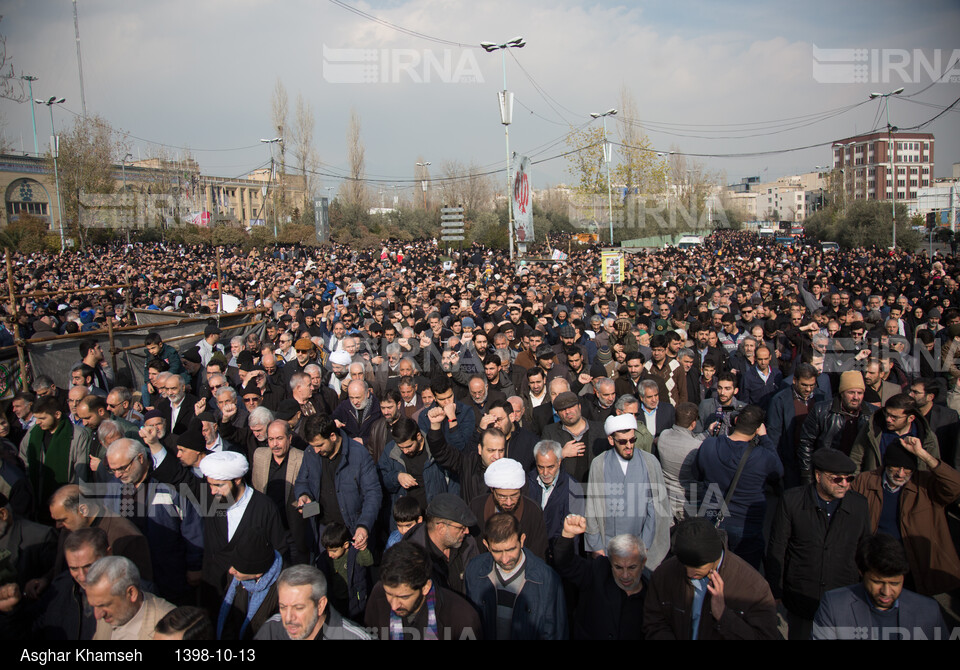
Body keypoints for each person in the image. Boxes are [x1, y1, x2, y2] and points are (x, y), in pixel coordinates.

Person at [765, 449, 871, 640]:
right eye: (837, 479)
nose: (844, 484)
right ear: (818, 476)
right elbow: (778, 546)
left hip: (842, 595)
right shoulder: (792, 501)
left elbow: (865, 550)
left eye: (849, 479)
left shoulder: (859, 505)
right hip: (801, 594)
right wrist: (775, 589)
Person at [851, 436, 960, 597]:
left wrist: (923, 454)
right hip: (874, 560)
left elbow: (955, 485)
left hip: (914, 563)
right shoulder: (865, 481)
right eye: (895, 467)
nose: (901, 474)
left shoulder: (925, 485)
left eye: (907, 469)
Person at [643, 516, 779, 640]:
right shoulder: (665, 574)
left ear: (715, 557)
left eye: (697, 568)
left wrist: (723, 616)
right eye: (685, 566)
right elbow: (654, 621)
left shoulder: (753, 587)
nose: (690, 574)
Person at [694, 404, 782, 569]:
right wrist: (764, 438)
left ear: (735, 421)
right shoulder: (762, 456)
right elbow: (778, 472)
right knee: (744, 577)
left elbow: (697, 474)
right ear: (757, 429)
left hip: (712, 519)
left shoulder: (709, 445)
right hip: (746, 526)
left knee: (711, 572)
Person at [812, 533, 947, 640]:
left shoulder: (928, 610)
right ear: (861, 572)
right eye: (877, 582)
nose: (886, 592)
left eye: (895, 583)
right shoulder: (835, 605)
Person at [199, 450, 291, 601]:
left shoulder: (264, 507)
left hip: (249, 595)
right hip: (214, 590)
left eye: (218, 485)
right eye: (210, 485)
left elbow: (280, 552)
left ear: (237, 480)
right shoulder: (211, 499)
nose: (212, 491)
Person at [585, 414, 671, 570]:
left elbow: (656, 507)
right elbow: (592, 507)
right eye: (623, 441)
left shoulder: (650, 462)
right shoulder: (599, 464)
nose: (629, 445)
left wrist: (644, 547)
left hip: (641, 546)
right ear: (611, 440)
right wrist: (596, 546)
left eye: (632, 440)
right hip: (608, 546)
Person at [463, 512, 567, 640]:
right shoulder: (474, 570)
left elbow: (555, 632)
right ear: (486, 545)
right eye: (497, 551)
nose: (505, 559)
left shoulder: (547, 579)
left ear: (522, 540)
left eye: (511, 549)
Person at [294, 414, 381, 555]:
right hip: (323, 528)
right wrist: (303, 495)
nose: (316, 450)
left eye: (320, 445)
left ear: (333, 436)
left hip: (352, 530)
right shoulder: (310, 453)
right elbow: (302, 481)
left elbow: (373, 493)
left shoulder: (359, 455)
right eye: (313, 446)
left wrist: (364, 526)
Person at [553, 514, 648, 640]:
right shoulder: (597, 573)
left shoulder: (652, 594)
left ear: (643, 563)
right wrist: (568, 534)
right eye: (618, 567)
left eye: (632, 567)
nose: (625, 575)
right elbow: (565, 563)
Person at [364, 541, 482, 640]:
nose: (394, 606)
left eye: (404, 597)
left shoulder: (462, 619)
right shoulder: (378, 595)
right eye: (389, 594)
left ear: (425, 587)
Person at [19, 395, 92, 522]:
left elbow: (81, 473)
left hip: (67, 505)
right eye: (36, 418)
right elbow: (23, 461)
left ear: (57, 414)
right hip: (38, 502)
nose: (38, 422)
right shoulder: (32, 433)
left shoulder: (77, 435)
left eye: (42, 418)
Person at [797, 370, 876, 483]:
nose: (856, 397)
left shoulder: (872, 414)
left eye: (860, 393)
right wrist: (807, 476)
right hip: (829, 472)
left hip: (858, 475)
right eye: (851, 392)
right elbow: (806, 444)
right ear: (842, 392)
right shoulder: (822, 410)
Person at [255, 564, 370, 640]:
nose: (288, 618)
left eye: (298, 608)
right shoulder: (272, 629)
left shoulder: (353, 637)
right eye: (283, 607)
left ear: (320, 605)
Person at [468, 458, 549, 560]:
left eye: (514, 495)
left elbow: (539, 553)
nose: (509, 502)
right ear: (492, 490)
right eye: (502, 496)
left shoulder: (533, 511)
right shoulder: (477, 506)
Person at [401, 492, 479, 595]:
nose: (467, 532)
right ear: (441, 528)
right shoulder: (411, 557)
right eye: (461, 528)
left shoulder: (468, 544)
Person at [849, 393, 941, 477]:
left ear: (910, 418)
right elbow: (856, 457)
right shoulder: (873, 429)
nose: (888, 419)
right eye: (887, 414)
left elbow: (933, 468)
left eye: (894, 417)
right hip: (876, 486)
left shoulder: (926, 437)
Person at [87, 556, 175, 640]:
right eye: (94, 606)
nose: (97, 615)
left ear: (132, 593)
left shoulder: (172, 627)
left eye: (104, 605)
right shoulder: (106, 614)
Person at [524, 439, 585, 558]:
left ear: (559, 461)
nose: (545, 473)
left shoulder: (573, 489)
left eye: (550, 467)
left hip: (558, 556)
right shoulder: (526, 483)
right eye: (540, 467)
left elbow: (572, 532)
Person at [217, 540, 284, 641]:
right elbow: (229, 620)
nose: (231, 570)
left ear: (258, 574)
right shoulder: (235, 577)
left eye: (239, 568)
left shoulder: (284, 589)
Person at [656, 402, 705, 522]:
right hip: (689, 501)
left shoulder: (663, 435)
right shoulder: (697, 447)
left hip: (667, 499)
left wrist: (706, 434)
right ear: (693, 424)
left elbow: (683, 439)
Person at [316, 521, 373, 621]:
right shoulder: (324, 559)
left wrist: (363, 549)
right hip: (335, 599)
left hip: (354, 599)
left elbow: (368, 562)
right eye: (327, 550)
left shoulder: (355, 554)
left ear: (345, 545)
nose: (330, 554)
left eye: (333, 551)